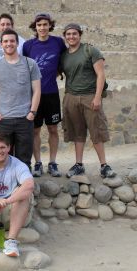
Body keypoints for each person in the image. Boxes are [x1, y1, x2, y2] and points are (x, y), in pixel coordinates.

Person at [60, 23, 116, 178]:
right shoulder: (64, 55)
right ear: (65, 36)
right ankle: (79, 165)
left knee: (96, 130)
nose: (71, 37)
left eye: (74, 34)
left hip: (90, 96)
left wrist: (97, 97)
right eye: (68, 34)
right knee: (77, 132)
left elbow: (101, 74)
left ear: (80, 35)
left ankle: (104, 165)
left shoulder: (90, 51)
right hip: (71, 97)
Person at [23, 13, 67, 177]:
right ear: (35, 27)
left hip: (51, 93)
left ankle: (53, 162)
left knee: (53, 129)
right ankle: (38, 163)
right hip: (34, 95)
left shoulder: (58, 42)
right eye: (39, 25)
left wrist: (58, 72)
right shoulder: (28, 45)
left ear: (50, 26)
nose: (42, 27)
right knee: (34, 131)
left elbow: (64, 60)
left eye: (45, 24)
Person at [0, 29, 41, 169]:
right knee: (2, 157)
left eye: (12, 41)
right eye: (5, 41)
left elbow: (37, 90)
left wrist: (32, 112)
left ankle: (24, 187)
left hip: (24, 118)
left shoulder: (30, 63)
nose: (9, 44)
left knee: (24, 158)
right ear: (1, 44)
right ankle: (6, 187)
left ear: (17, 43)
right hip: (3, 119)